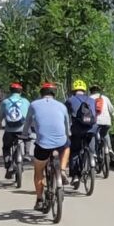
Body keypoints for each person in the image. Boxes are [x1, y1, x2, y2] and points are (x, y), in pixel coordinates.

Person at [28, 79, 70, 211]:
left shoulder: (34, 104)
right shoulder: (62, 106)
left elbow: (27, 123)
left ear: (41, 93)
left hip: (43, 144)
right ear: (54, 94)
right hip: (60, 142)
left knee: (38, 171)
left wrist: (24, 135)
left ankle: (39, 199)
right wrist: (67, 135)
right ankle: (62, 170)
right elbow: (67, 127)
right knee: (67, 146)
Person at [66, 79, 98, 184]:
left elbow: (64, 115)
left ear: (73, 90)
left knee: (75, 151)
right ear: (84, 90)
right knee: (90, 148)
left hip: (77, 130)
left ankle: (75, 175)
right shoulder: (92, 100)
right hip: (91, 129)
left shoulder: (70, 100)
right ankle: (91, 159)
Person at [0, 79, 32, 183]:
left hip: (9, 129)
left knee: (6, 147)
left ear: (10, 91)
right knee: (28, 136)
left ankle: (8, 165)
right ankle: (26, 154)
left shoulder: (5, 102)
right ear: (20, 91)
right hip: (22, 129)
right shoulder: (26, 101)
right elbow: (30, 115)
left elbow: (1, 116)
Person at [90, 85, 114, 168]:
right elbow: (111, 109)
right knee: (105, 133)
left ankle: (94, 153)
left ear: (91, 91)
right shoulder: (105, 98)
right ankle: (110, 149)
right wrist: (112, 116)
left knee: (94, 136)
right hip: (106, 121)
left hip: (95, 122)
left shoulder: (89, 98)